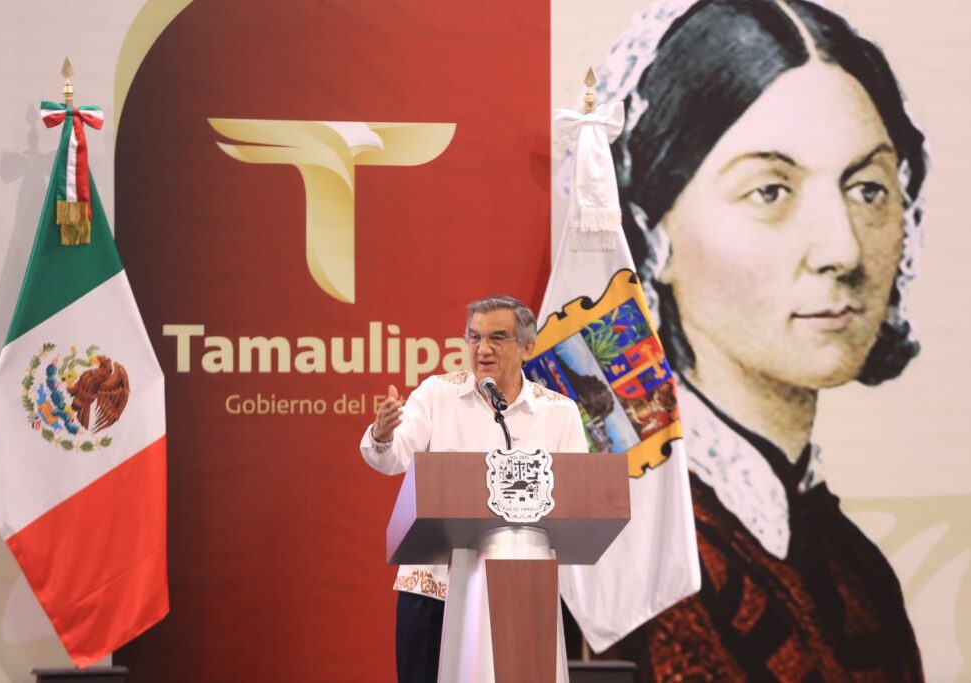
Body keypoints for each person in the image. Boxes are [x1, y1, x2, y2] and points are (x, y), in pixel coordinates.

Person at [577, 0, 928, 680]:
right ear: (652, 231)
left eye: (867, 189)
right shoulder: (639, 554)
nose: (843, 250)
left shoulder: (852, 566)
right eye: (770, 191)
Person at [361, 295, 588, 683]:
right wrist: (382, 435)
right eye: (474, 337)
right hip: (435, 588)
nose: (482, 349)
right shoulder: (436, 394)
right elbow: (391, 458)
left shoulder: (558, 412)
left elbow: (578, 498)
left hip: (521, 594)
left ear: (527, 347)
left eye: (497, 337)